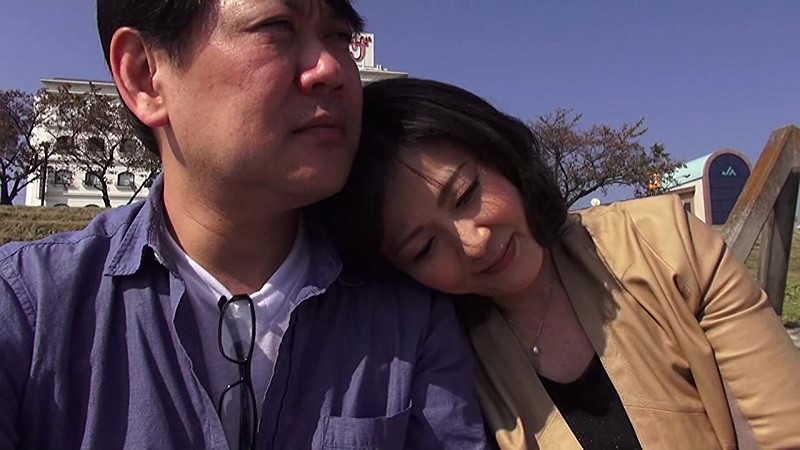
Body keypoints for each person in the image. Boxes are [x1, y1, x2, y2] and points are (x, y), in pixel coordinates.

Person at [0, 3, 488, 449]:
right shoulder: (26, 309)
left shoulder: (409, 316)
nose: (332, 69)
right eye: (277, 27)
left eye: (340, 35)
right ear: (146, 76)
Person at [326, 77, 800, 449]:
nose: (473, 242)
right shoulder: (443, 365)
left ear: (500, 154)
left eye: (466, 194)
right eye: (425, 248)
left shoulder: (665, 244)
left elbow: (784, 430)